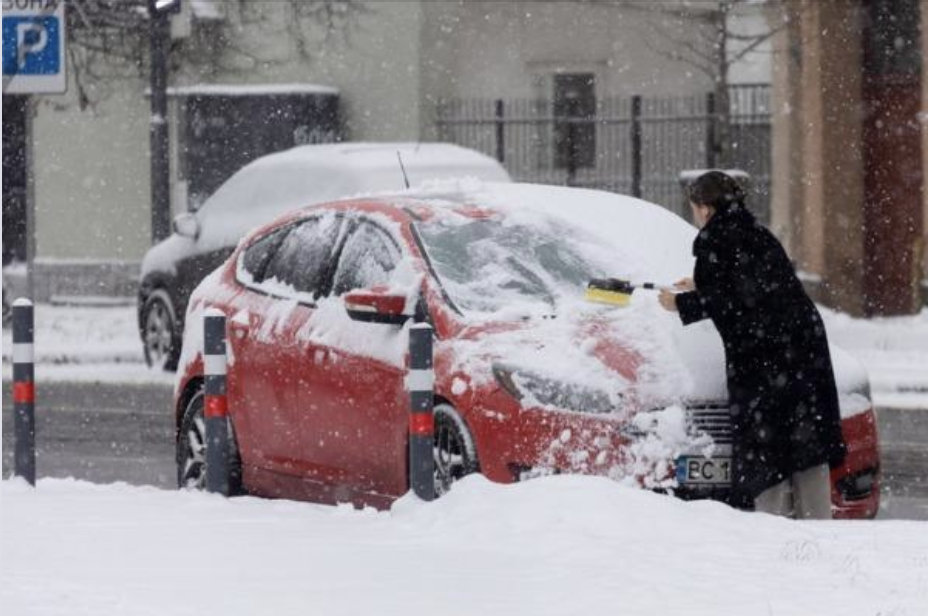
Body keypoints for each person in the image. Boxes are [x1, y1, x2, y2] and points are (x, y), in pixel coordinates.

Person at [658, 170, 846, 519]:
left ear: (704, 209)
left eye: (694, 209)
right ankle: (819, 531)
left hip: (764, 359)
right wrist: (703, 286)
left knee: (767, 451)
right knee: (805, 446)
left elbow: (735, 301)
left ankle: (771, 537)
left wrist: (682, 304)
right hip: (801, 350)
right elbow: (756, 287)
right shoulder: (757, 234)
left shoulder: (716, 241)